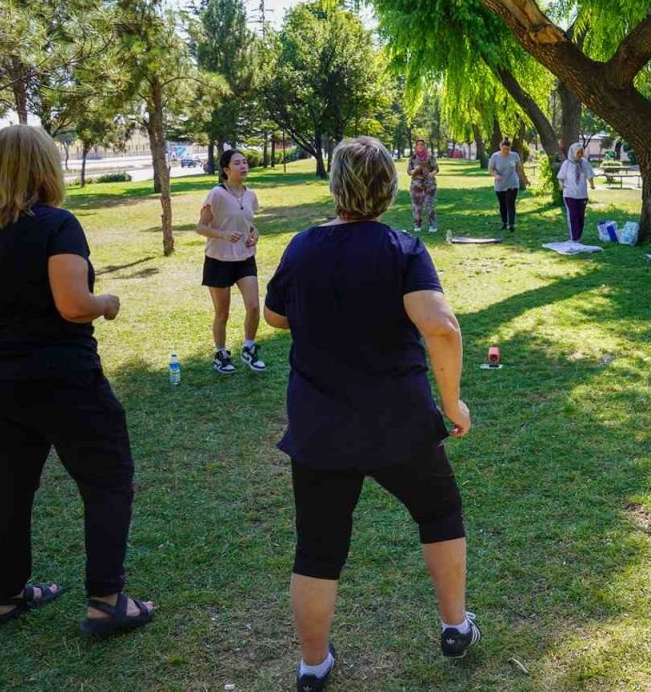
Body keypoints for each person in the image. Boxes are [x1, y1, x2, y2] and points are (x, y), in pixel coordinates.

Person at [263, 137, 479, 690]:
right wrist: (451, 401)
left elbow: (274, 317)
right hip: (399, 419)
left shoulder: (302, 247)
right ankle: (455, 625)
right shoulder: (401, 249)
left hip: (320, 424)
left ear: (336, 185)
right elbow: (442, 326)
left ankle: (313, 664)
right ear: (389, 186)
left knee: (318, 545)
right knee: (439, 513)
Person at [0, 125, 153, 635]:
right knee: (107, 478)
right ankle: (105, 601)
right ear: (43, 167)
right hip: (61, 377)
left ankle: (6, 597)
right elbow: (73, 305)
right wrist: (106, 304)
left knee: (10, 483)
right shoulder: (58, 225)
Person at [197, 149, 266, 374]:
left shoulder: (250, 195)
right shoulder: (216, 194)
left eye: (245, 162)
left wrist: (254, 233)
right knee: (222, 313)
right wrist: (223, 235)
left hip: (245, 258)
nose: (243, 166)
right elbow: (201, 227)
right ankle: (221, 353)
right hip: (219, 259)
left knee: (254, 306)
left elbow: (248, 224)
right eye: (238, 163)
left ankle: (248, 347)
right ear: (226, 170)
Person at [556, 143, 596, 241]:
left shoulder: (585, 163)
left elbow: (589, 175)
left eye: (581, 152)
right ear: (573, 152)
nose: (580, 154)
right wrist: (561, 185)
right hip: (569, 194)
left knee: (580, 216)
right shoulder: (567, 164)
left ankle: (579, 236)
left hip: (582, 194)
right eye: (578, 152)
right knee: (573, 215)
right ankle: (574, 238)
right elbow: (560, 177)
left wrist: (592, 184)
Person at [488, 139, 527, 232]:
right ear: (500, 147)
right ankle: (504, 222)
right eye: (504, 149)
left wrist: (525, 179)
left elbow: (520, 168)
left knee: (510, 203)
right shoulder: (495, 156)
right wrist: (495, 175)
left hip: (512, 183)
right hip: (500, 184)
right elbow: (490, 169)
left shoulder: (514, 155)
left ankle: (511, 224)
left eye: (508, 149)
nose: (506, 151)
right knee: (503, 204)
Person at [407, 138, 440, 233]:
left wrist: (431, 174)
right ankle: (417, 225)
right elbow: (409, 172)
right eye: (418, 145)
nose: (420, 146)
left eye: (422, 144)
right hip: (416, 185)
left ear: (425, 146)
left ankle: (433, 225)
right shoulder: (412, 158)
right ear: (415, 147)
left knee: (429, 205)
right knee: (416, 206)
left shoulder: (430, 157)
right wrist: (415, 170)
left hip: (429, 185)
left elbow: (436, 169)